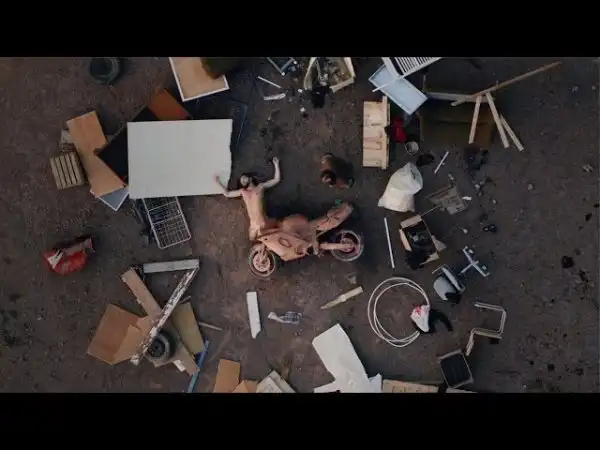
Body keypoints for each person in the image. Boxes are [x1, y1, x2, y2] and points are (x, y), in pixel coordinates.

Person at [214, 157, 281, 241]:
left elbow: (276, 179)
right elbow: (227, 194)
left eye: (244, 177)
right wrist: (217, 182)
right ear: (242, 184)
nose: (243, 179)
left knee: (273, 230)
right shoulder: (243, 192)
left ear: (250, 178)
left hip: (263, 222)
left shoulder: (260, 187)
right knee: (253, 239)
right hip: (253, 226)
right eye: (242, 180)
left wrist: (276, 164)